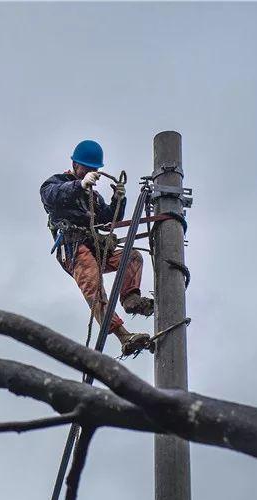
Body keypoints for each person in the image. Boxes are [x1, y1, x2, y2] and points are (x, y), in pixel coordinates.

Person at [40, 139, 154, 355]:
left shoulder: (93, 197)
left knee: (132, 256)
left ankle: (131, 299)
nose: (90, 173)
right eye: (86, 168)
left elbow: (109, 219)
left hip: (94, 247)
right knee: (94, 286)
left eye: (93, 169)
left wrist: (117, 199)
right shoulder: (56, 183)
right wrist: (78, 185)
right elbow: (51, 196)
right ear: (75, 165)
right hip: (73, 248)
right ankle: (123, 336)